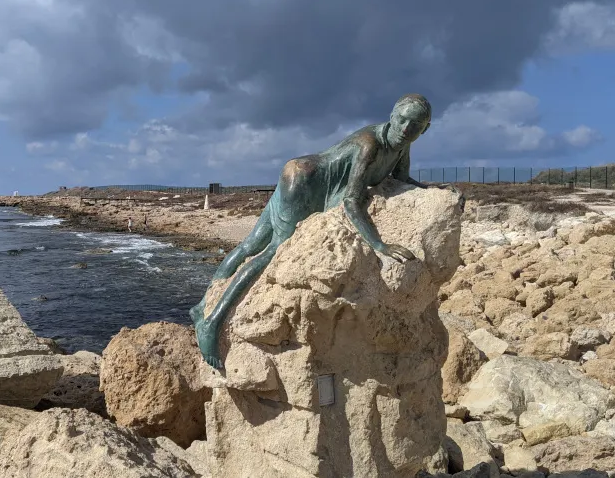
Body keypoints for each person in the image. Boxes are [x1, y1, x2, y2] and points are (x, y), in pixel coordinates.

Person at [190, 94, 462, 369]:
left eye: (415, 125)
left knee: (250, 245)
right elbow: (351, 201)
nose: (406, 128)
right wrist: (379, 245)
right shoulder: (370, 146)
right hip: (305, 181)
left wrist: (433, 190)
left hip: (301, 173)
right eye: (402, 120)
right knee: (270, 250)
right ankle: (211, 325)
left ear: (424, 129)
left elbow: (401, 178)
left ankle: (201, 306)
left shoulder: (402, 145)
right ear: (392, 115)